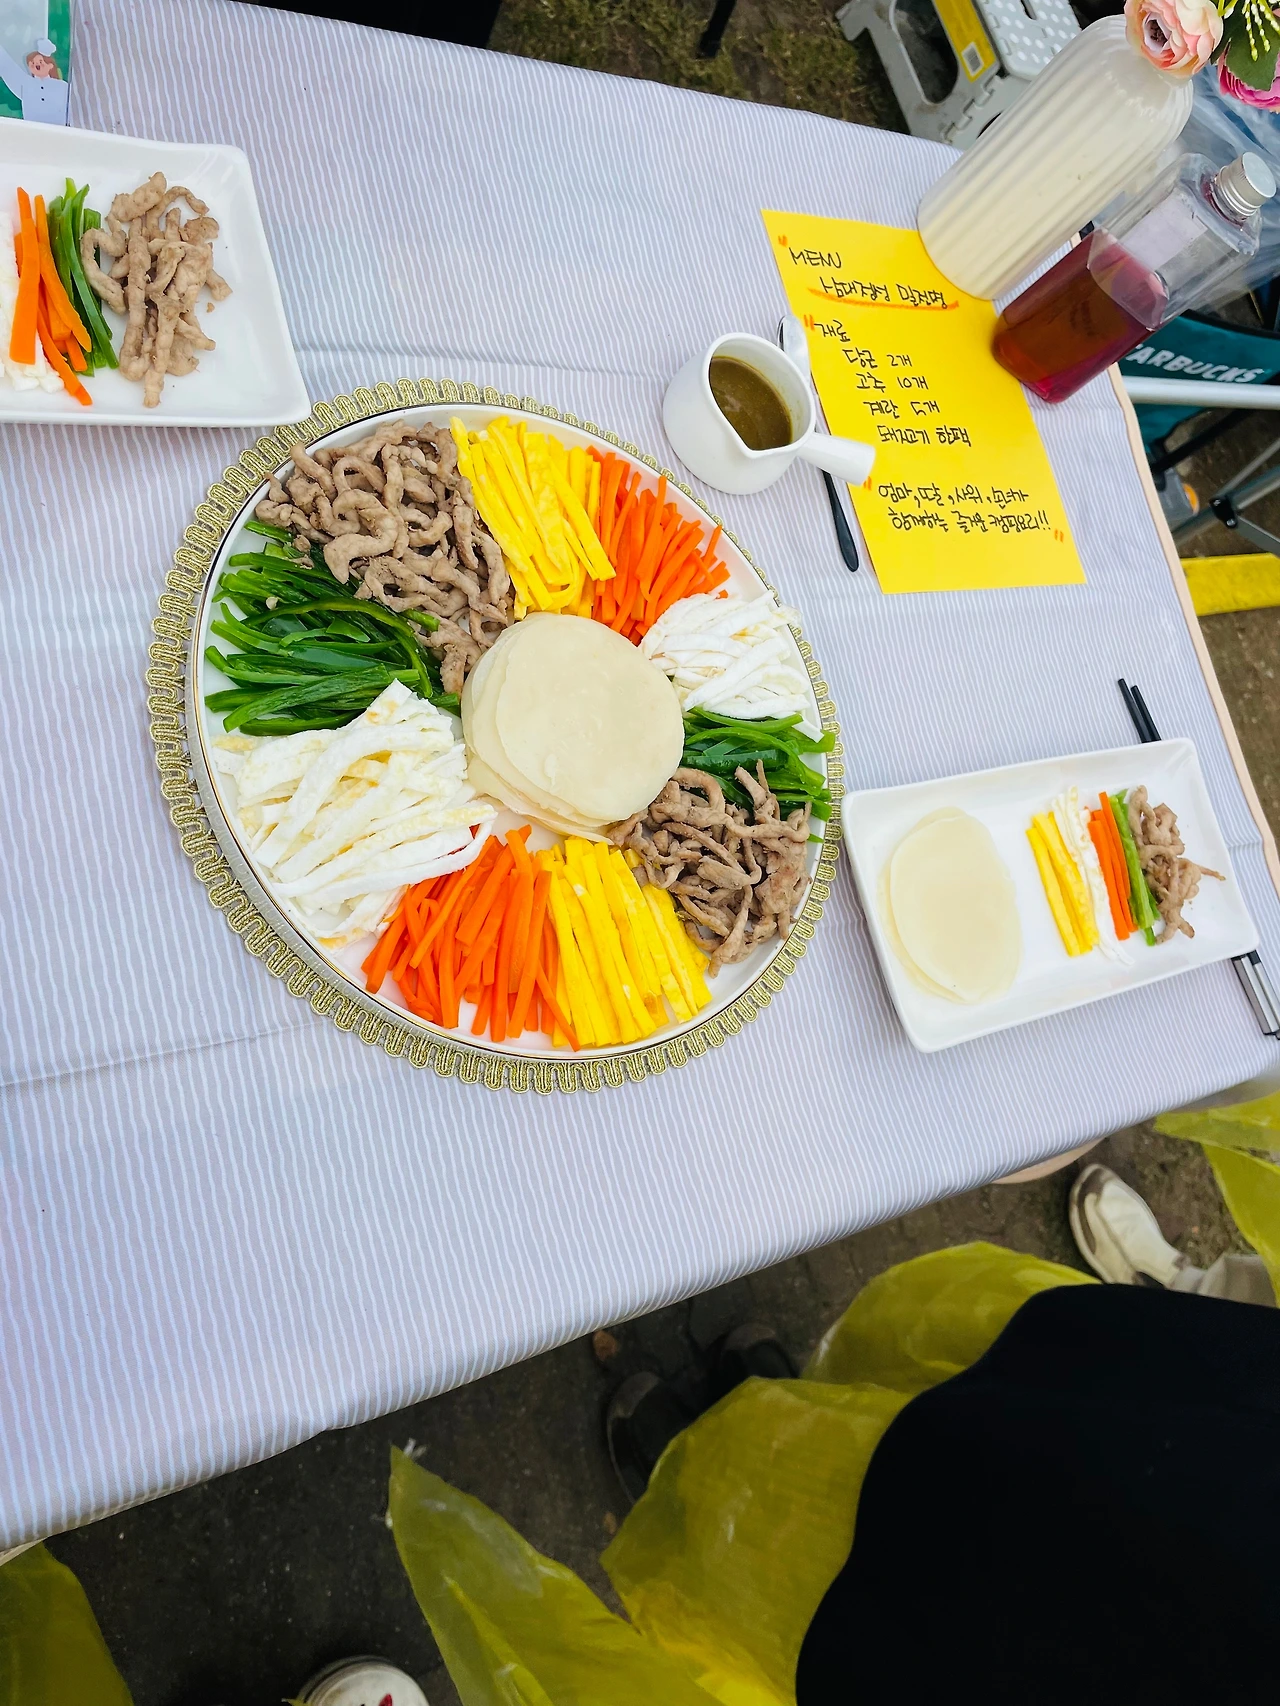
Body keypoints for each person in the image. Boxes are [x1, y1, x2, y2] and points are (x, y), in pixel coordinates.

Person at [0, 38, 68, 125]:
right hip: (32, 129)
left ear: (50, 65)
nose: (36, 65)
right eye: (32, 63)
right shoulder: (26, 84)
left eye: (41, 62)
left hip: (59, 130)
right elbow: (9, 68)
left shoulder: (62, 86)